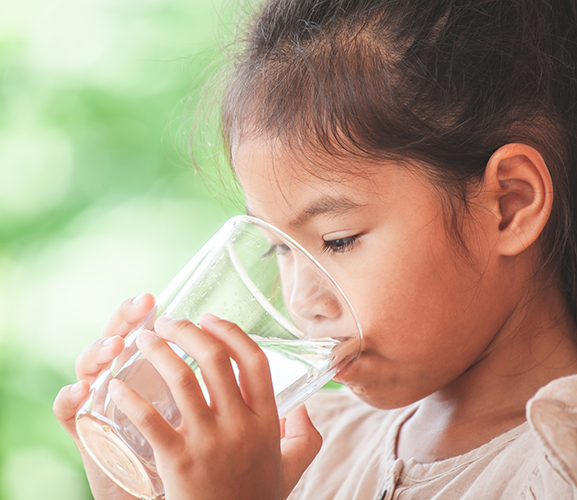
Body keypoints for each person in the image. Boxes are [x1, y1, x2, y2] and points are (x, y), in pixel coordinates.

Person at [54, 0, 577, 498]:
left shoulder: (562, 463)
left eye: (338, 240)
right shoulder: (296, 451)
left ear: (509, 204)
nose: (301, 301)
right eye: (276, 250)